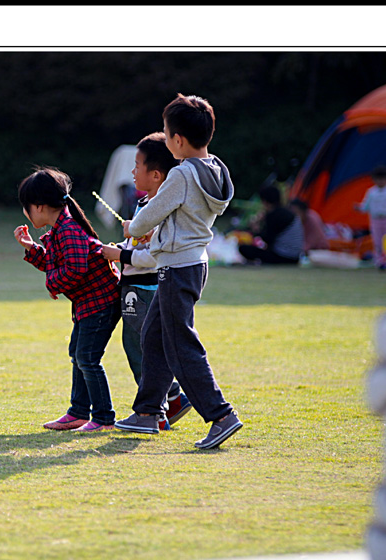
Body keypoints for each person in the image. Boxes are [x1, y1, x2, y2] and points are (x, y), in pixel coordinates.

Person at [112, 93, 243, 450]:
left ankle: (220, 415)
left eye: (167, 135)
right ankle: (147, 413)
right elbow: (181, 214)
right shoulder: (215, 168)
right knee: (153, 337)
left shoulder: (182, 174)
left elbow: (150, 214)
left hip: (177, 267)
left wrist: (132, 228)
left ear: (179, 140)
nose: (166, 140)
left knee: (180, 345)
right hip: (193, 261)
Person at [14, 167, 122, 433]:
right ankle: (78, 412)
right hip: (90, 304)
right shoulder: (62, 227)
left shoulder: (68, 230)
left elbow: (74, 269)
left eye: (26, 207)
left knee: (87, 358)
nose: (26, 213)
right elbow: (57, 262)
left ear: (38, 206)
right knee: (79, 354)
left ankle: (104, 418)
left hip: (101, 303)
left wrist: (53, 284)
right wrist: (31, 248)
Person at [101, 133, 193, 431]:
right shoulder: (145, 203)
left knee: (143, 348)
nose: (132, 171)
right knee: (140, 347)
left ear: (156, 175)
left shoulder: (163, 210)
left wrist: (121, 254)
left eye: (137, 165)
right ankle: (173, 399)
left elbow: (153, 256)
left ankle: (155, 411)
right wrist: (124, 248)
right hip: (136, 285)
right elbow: (140, 246)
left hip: (145, 289)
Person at [238, 185, 304, 265]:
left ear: (265, 201)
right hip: (295, 257)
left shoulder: (274, 214)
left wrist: (255, 228)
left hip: (284, 256)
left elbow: (267, 239)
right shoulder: (285, 212)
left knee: (244, 249)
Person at [354, 165, 386, 268]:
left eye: (383, 178)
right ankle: (378, 261)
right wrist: (359, 208)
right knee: (377, 240)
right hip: (375, 219)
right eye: (378, 179)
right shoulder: (371, 192)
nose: (380, 181)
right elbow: (366, 206)